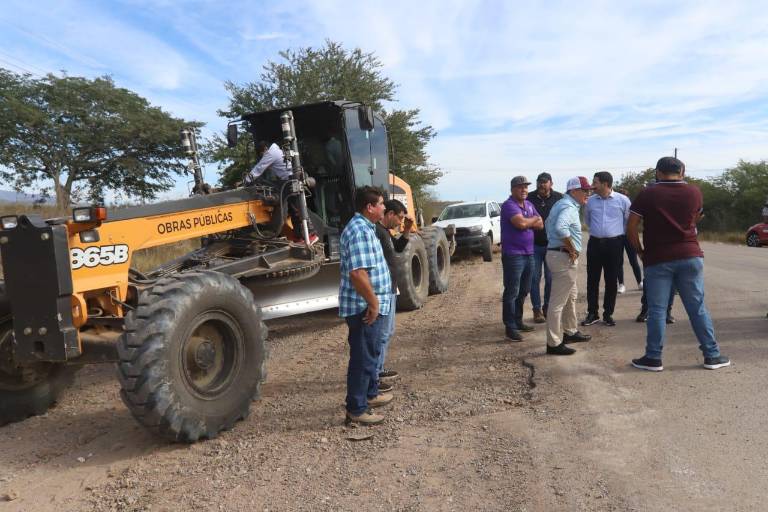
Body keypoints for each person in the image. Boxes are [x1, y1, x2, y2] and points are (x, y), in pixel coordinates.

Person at [626, 156, 730, 371]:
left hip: (658, 257)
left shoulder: (648, 193)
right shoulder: (694, 192)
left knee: (657, 310)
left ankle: (653, 358)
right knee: (697, 307)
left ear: (658, 172)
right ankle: (712, 355)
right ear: (682, 171)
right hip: (690, 254)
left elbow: (631, 227)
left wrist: (641, 252)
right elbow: (696, 217)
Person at [339, 186, 395, 425]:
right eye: (381, 203)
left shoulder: (366, 228)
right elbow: (358, 273)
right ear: (370, 207)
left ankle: (370, 395)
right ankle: (357, 409)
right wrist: (373, 303)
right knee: (363, 358)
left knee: (371, 354)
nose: (384, 207)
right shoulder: (360, 231)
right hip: (364, 306)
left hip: (371, 304)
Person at [544, 177, 594, 355]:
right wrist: (571, 248)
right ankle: (554, 343)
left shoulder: (561, 204)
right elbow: (560, 228)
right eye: (585, 190)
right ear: (574, 192)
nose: (588, 193)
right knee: (558, 303)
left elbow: (547, 225)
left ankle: (570, 331)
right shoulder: (568, 207)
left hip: (559, 254)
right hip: (563, 257)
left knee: (571, 297)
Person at [581, 172, 631, 327]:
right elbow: (587, 220)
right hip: (595, 243)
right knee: (592, 279)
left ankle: (608, 314)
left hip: (614, 244)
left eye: (595, 182)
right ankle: (592, 313)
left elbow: (627, 222)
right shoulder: (590, 202)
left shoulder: (623, 200)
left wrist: (614, 235)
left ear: (605, 183)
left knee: (611, 280)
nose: (592, 185)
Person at [374, 199, 414, 389]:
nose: (400, 221)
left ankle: (379, 369)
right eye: (399, 217)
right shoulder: (377, 232)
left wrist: (406, 230)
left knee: (387, 332)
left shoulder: (386, 233)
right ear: (389, 214)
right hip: (382, 290)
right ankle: (374, 376)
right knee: (381, 334)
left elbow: (398, 248)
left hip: (390, 287)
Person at [246, 140, 318, 245]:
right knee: (293, 210)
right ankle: (300, 236)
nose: (263, 157)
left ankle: (311, 234)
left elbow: (259, 168)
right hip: (290, 180)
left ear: (265, 149)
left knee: (297, 209)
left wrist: (246, 180)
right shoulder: (278, 151)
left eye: (262, 154)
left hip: (291, 180)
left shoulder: (271, 153)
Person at [500, 176, 543, 341]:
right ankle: (509, 327)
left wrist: (529, 221)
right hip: (513, 255)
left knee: (525, 289)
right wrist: (531, 220)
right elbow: (522, 224)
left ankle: (518, 321)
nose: (524, 189)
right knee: (512, 291)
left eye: (525, 187)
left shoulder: (529, 204)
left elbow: (541, 224)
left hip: (529, 253)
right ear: (512, 189)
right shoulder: (509, 205)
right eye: (520, 187)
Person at [527, 172, 563, 323]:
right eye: (539, 182)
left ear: (551, 183)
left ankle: (547, 307)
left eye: (544, 182)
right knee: (534, 278)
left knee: (550, 278)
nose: (541, 184)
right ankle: (536, 309)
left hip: (552, 245)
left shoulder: (559, 198)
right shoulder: (529, 198)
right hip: (534, 245)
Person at [615, 187, 643, 293]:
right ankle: (621, 284)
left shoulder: (631, 207)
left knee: (633, 260)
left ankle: (640, 282)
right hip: (617, 236)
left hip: (628, 235)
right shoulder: (615, 207)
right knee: (618, 261)